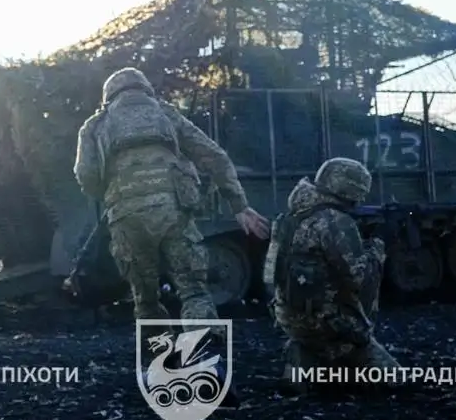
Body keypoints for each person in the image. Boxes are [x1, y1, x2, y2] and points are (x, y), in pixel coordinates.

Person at [73, 66, 271, 324]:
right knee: (195, 292)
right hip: (173, 213)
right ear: (145, 89)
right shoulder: (167, 114)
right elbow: (215, 157)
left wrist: (112, 195)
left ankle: (158, 361)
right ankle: (203, 358)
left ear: (108, 96)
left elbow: (85, 174)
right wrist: (239, 206)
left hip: (126, 218)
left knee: (146, 302)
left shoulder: (94, 125)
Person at [262, 157, 402, 392]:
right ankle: (327, 362)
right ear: (349, 188)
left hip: (291, 318)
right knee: (396, 382)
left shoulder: (286, 219)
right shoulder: (336, 222)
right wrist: (379, 243)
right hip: (334, 327)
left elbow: (269, 275)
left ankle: (302, 356)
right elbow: (360, 280)